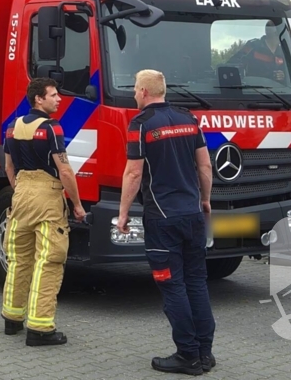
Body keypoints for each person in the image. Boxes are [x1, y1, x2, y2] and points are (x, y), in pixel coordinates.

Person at [117, 69, 215, 375]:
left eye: (135, 89)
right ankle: (205, 353)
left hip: (162, 219)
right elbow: (205, 165)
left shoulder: (141, 125)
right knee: (197, 283)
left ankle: (187, 355)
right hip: (192, 215)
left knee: (172, 287)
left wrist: (122, 214)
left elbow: (133, 173)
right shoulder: (188, 119)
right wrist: (205, 200)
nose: (134, 93)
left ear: (145, 92)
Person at [1, 77, 87, 347]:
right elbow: (64, 170)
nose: (59, 99)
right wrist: (77, 204)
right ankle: (40, 329)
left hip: (21, 194)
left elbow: (8, 167)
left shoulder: (13, 127)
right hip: (46, 196)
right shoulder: (52, 128)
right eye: (53, 95)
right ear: (39, 98)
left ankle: (12, 318)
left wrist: (20, 190)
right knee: (49, 261)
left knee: (18, 259)